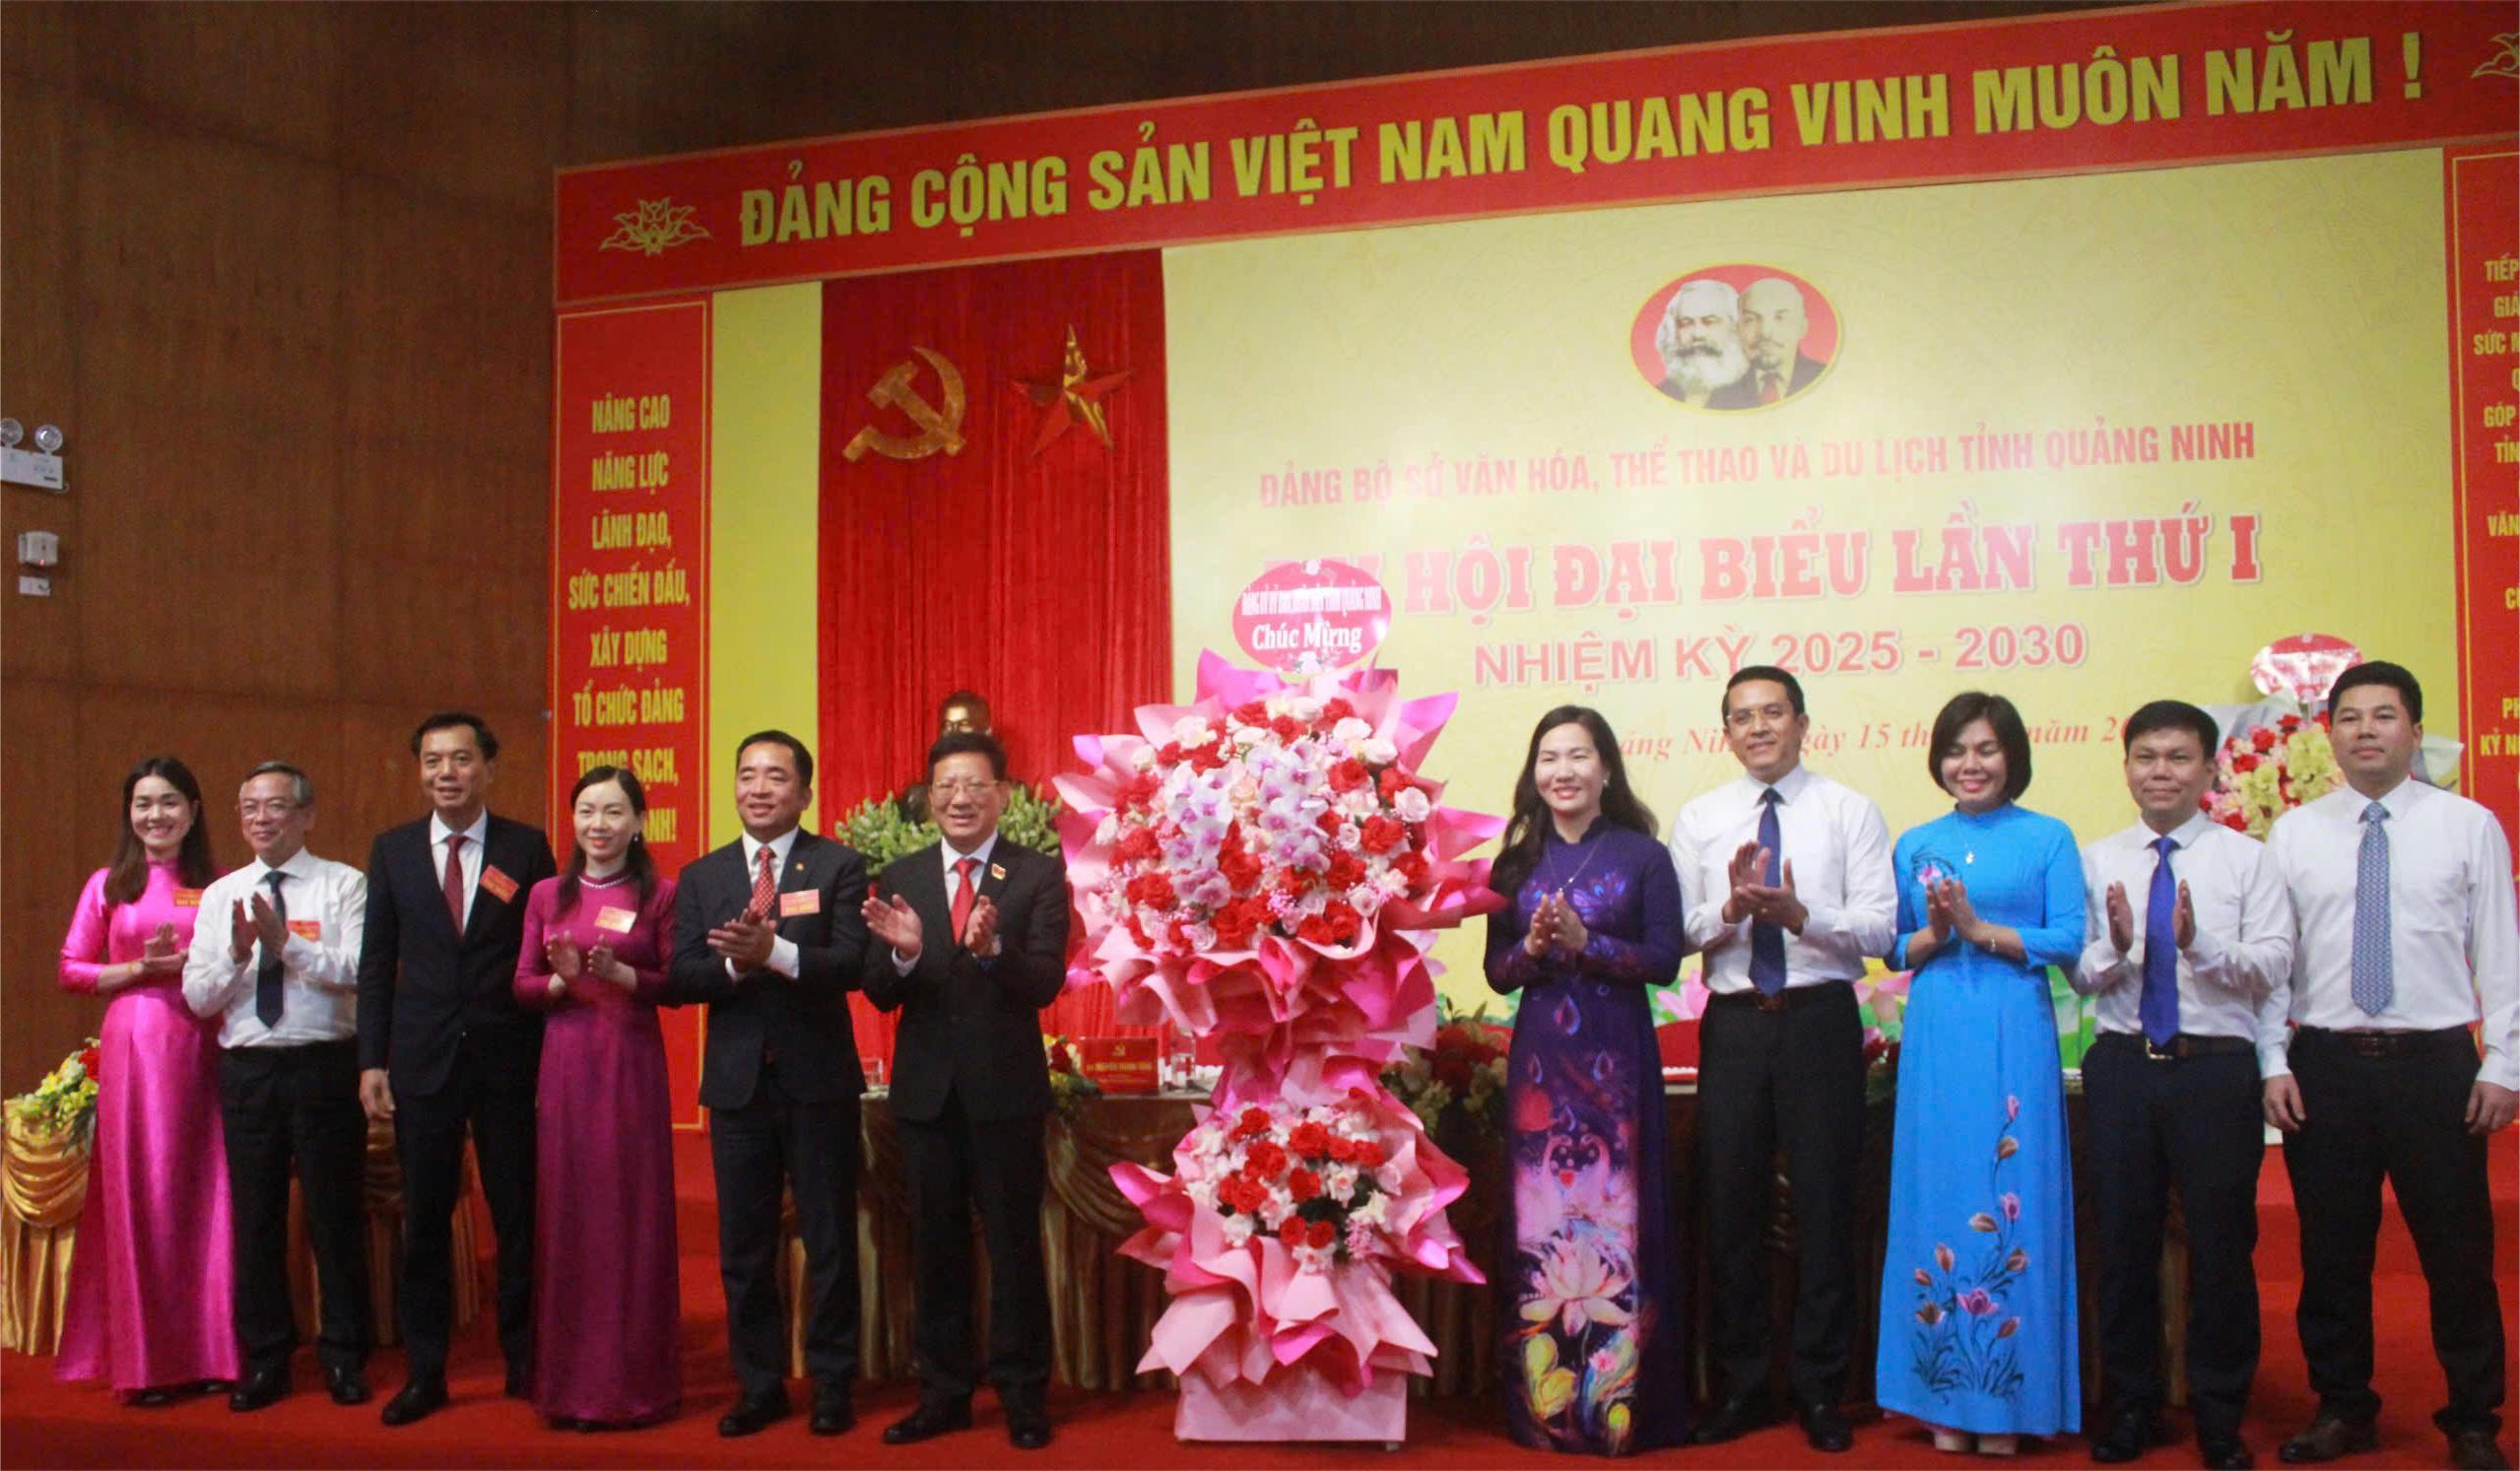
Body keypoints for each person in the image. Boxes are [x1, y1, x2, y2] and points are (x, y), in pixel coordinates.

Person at [2264, 662, 2516, 1471]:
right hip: (2326, 1063)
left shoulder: (2467, 824)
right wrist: (2272, 1059)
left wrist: (2505, 1061)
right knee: (2331, 1252)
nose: (2365, 730)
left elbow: (2500, 950)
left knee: (2457, 1252)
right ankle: (2342, 1406)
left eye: (2383, 715)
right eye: (2349, 716)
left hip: (2434, 1063)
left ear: (2415, 730)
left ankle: (2473, 1418)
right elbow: (2275, 962)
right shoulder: (2294, 833)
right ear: (2330, 733)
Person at [1671, 668, 1895, 1453]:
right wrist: (1731, 908)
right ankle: (1741, 1386)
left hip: (1819, 1021)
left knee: (1827, 1205)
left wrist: (1803, 914)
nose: (1759, 727)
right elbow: (1679, 933)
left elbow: (1880, 929)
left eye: (1773, 712)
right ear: (1725, 732)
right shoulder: (1701, 817)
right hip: (1735, 1026)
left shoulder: (1848, 810)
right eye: (1743, 716)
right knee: (1730, 1207)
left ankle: (1822, 1389)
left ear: (1803, 722)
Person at [2072, 701, 2293, 1471]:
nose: (2160, 771)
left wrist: (2200, 945)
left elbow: (2274, 964)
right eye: (2146, 756)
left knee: (2223, 1245)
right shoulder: (2096, 859)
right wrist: (2118, 947)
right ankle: (2131, 1403)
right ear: (2126, 767)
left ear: (2208, 768)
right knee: (2124, 1242)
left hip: (2215, 1070)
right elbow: (2080, 971)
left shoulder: (2247, 859)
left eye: (2177, 757)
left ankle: (2221, 1412)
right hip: (2124, 1066)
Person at [1877, 692, 2084, 1454]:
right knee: (1936, 1190)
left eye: (1987, 749)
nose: (1971, 763)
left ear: (2012, 756)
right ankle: (1941, 1398)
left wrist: (1980, 929)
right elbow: (1894, 948)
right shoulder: (1917, 842)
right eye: (1957, 749)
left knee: (2010, 1187)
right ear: (1938, 759)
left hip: (2012, 1027)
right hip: (1938, 1031)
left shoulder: (2048, 837)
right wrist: (1937, 931)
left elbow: (2068, 936)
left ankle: (2009, 1404)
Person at [1482, 705, 1686, 1455]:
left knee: (1617, 1218)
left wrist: (1586, 941)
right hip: (1540, 1067)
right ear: (1533, 772)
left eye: (1578, 756)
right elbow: (1497, 972)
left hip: (1615, 1064)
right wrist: (1535, 950)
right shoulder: (1513, 865)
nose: (1562, 771)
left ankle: (1619, 1412)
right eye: (1549, 757)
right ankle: (1547, 1412)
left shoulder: (1644, 856)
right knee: (1542, 1220)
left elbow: (1665, 959)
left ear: (1605, 769)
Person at [861, 730, 1067, 1451]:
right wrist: (905, 952)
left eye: (975, 785)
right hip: (926, 1096)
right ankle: (943, 1394)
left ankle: (1022, 1394)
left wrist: (994, 951)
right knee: (935, 1248)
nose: (959, 798)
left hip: (1005, 1093)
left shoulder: (1036, 874)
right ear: (928, 798)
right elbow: (878, 989)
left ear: (1002, 795)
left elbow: (1046, 981)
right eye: (946, 786)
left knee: (1014, 1249)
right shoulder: (902, 875)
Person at [356, 711, 558, 1426]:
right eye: (433, 760)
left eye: (461, 759)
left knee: (516, 1215)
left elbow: (545, 950)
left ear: (488, 769)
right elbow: (377, 963)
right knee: (426, 1221)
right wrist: (371, 1060)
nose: (447, 772)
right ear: (420, 771)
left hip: (508, 1060)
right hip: (423, 1062)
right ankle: (427, 1371)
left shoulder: (525, 848)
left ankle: (526, 1360)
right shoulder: (394, 851)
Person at [667, 728, 870, 1438]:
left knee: (829, 1239)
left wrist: (775, 951)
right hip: (738, 1087)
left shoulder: (838, 864)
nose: (758, 788)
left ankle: (832, 1382)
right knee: (744, 1247)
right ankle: (758, 1384)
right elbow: (682, 976)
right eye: (747, 774)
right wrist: (736, 966)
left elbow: (852, 963)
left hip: (818, 1082)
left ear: (804, 792)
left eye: (775, 776)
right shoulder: (703, 876)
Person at [181, 762, 372, 1413]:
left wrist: (284, 942)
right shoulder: (221, 894)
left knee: (333, 1214)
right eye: (250, 808)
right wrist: (240, 953)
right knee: (255, 1216)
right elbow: (198, 996)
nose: (261, 818)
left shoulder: (343, 884)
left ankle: (344, 1352)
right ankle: (266, 1357)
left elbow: (357, 970)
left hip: (323, 1065)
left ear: (307, 815)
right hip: (249, 1071)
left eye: (276, 806)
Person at [54, 756, 236, 1404]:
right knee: (145, 1189)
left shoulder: (219, 884)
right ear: (129, 813)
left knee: (207, 1189)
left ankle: (214, 1350)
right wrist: (138, 970)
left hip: (205, 1040)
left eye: (168, 802)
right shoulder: (109, 883)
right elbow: (71, 968)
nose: (156, 815)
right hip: (135, 1042)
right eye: (143, 803)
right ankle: (149, 1362)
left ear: (193, 811)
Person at [512, 766, 681, 1430]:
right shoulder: (544, 893)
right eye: (587, 811)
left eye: (613, 812)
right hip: (566, 1064)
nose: (598, 825)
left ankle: (634, 1385)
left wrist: (622, 973)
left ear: (638, 821)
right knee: (571, 1210)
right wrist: (562, 982)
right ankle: (569, 1387)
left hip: (631, 1063)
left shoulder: (660, 893)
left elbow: (674, 981)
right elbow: (523, 984)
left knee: (630, 1213)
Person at [1709, 277, 1828, 409]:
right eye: (1751, 319)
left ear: (1802, 327)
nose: (1765, 332)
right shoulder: (1721, 395)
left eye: (1779, 318)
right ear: (1738, 329)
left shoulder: (1828, 379)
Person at [1652, 278, 1752, 407]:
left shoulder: (1756, 393)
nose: (1697, 334)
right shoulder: (1658, 394)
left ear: (1734, 327)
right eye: (1685, 323)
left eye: (1709, 322)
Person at [898, 690, 993, 824]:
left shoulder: (1010, 795)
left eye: (964, 724)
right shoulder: (918, 798)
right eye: (947, 726)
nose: (953, 733)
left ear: (987, 732)